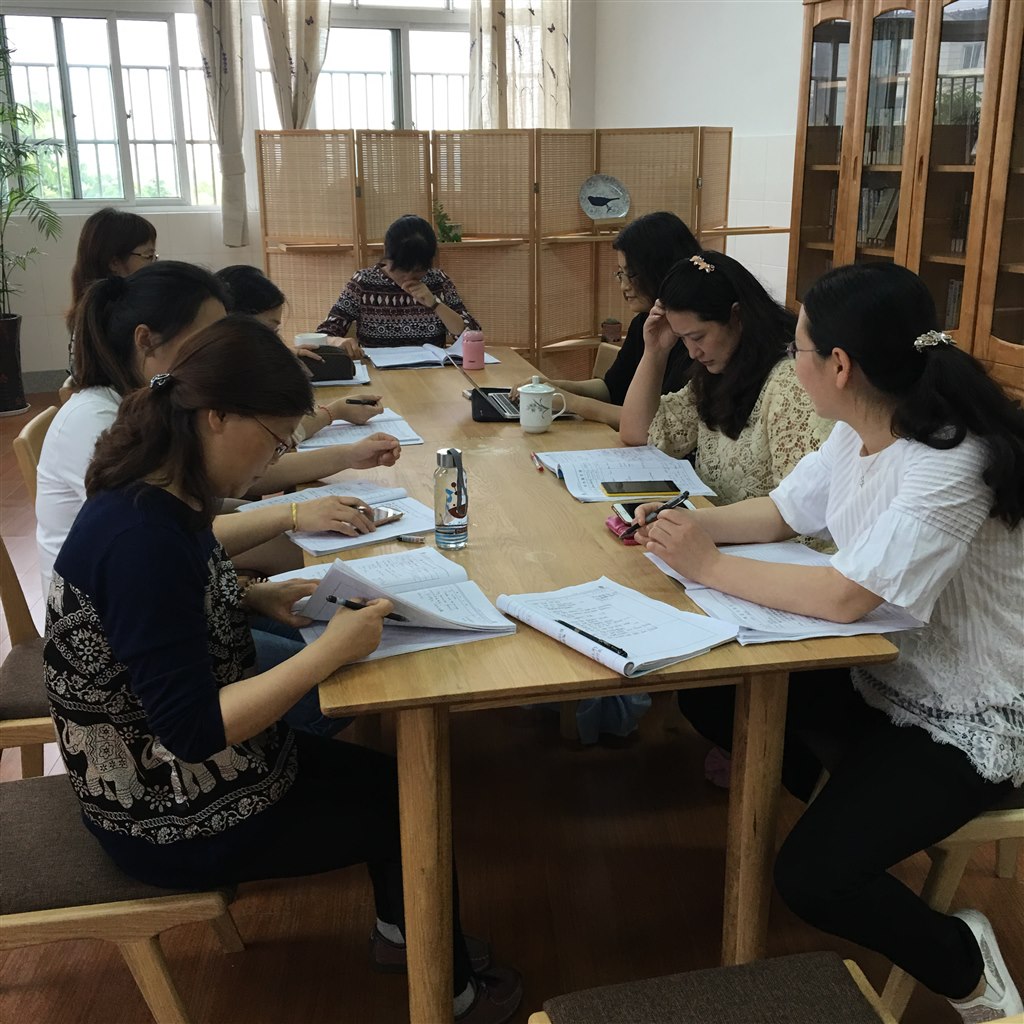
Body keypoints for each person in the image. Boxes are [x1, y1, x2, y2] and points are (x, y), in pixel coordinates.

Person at [44, 323, 523, 1024]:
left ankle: (408, 935)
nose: (278, 456)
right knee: (408, 808)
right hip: (163, 811)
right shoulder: (143, 538)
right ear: (217, 416)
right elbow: (192, 730)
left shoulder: (157, 493)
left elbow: (161, 621)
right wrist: (327, 653)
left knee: (397, 785)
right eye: (275, 440)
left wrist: (253, 596)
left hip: (172, 773)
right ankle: (449, 994)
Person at [635, 262, 1024, 1024]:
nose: (794, 359)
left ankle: (966, 962)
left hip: (971, 712)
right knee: (711, 693)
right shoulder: (860, 430)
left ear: (839, 366)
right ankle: (848, 807)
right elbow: (782, 513)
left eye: (801, 348)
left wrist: (707, 566)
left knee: (812, 877)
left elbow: (848, 597)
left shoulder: (952, 460)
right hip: (883, 673)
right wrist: (679, 522)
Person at [37, 262, 393, 594]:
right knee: (315, 561)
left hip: (167, 582)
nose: (224, 350)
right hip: (125, 595)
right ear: (146, 340)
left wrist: (343, 458)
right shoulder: (97, 419)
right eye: (207, 338)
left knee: (319, 555)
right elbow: (158, 534)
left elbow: (243, 478)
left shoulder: (159, 399)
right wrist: (294, 515)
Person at [620, 250, 832, 504]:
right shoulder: (718, 372)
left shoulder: (789, 385)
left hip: (740, 529)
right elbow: (638, 434)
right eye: (682, 338)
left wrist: (703, 523)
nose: (692, 352)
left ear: (737, 316)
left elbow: (797, 508)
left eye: (697, 337)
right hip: (713, 524)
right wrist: (655, 351)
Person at [511, 212, 699, 428]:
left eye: (632, 274)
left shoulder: (694, 340)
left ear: (661, 268)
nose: (624, 286)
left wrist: (570, 402)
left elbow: (650, 422)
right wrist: (553, 386)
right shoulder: (645, 323)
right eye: (620, 274)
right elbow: (611, 388)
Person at [216, 264, 385, 432]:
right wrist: (334, 412)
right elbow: (283, 434)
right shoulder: (224, 388)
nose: (274, 343)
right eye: (268, 330)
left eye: (275, 332)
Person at [317, 214, 480, 348]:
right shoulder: (363, 282)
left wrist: (435, 303)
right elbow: (325, 334)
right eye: (402, 269)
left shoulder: (438, 281)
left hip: (432, 372)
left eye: (418, 270)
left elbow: (472, 335)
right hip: (377, 373)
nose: (409, 277)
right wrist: (337, 341)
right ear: (387, 256)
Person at [65, 207, 158, 377]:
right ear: (114, 263)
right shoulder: (115, 319)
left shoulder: (89, 311)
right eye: (148, 256)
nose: (154, 265)